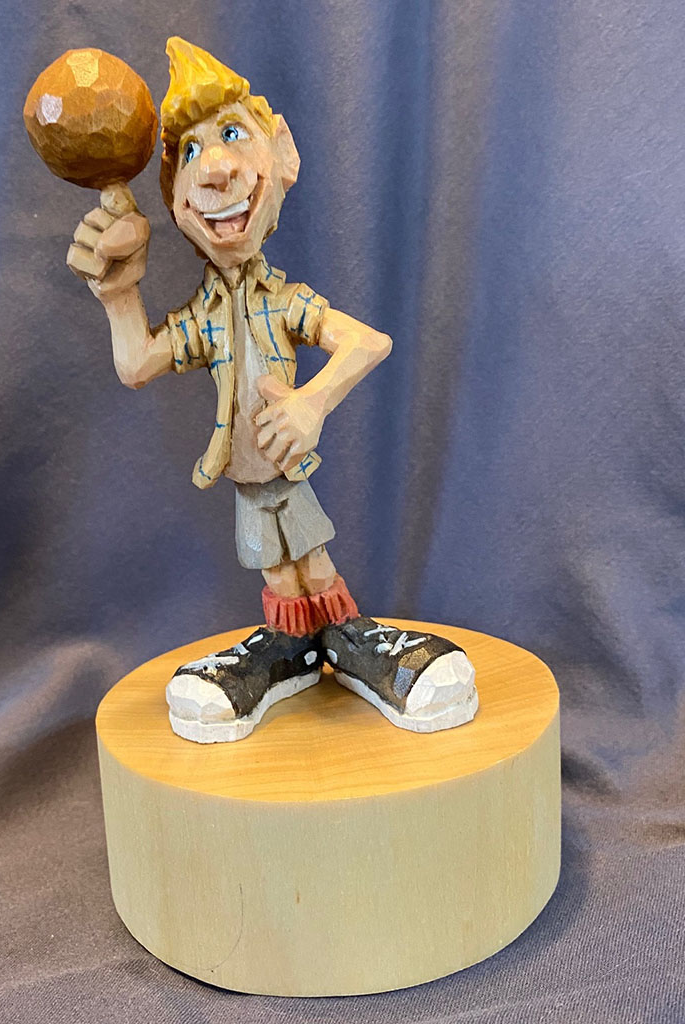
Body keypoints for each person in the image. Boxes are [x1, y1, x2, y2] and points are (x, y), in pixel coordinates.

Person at [69, 37, 478, 742]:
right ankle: (292, 649)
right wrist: (119, 295)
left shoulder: (284, 303)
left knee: (311, 561)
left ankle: (351, 639)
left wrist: (311, 402)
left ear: (282, 153)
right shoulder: (202, 319)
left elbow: (367, 342)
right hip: (246, 475)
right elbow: (135, 364)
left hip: (285, 468)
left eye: (233, 134)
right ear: (173, 199)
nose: (215, 169)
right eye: (191, 151)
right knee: (279, 570)